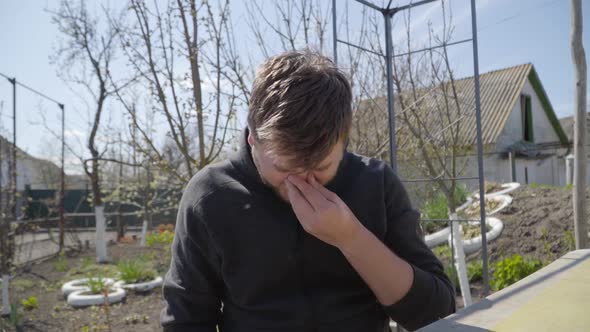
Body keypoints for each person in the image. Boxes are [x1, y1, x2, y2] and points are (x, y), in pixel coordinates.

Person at [160, 50, 455, 332]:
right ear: (253, 137)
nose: (301, 183)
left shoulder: (376, 182)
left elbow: (436, 312)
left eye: (321, 167)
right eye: (284, 168)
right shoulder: (209, 195)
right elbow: (186, 319)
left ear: (343, 142)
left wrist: (351, 238)